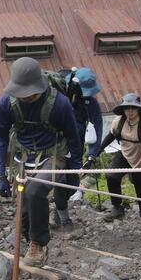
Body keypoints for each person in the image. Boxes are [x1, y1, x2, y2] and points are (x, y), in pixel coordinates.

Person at [0, 57, 82, 266]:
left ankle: (38, 244)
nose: (26, 98)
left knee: (35, 192)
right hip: (23, 158)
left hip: (53, 156)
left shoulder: (60, 103)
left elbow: (73, 136)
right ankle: (28, 238)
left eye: (30, 94)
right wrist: (0, 175)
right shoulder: (6, 103)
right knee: (23, 206)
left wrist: (75, 172)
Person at [98, 94, 141, 227]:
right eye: (127, 108)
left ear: (138, 109)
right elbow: (110, 137)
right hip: (125, 155)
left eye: (133, 108)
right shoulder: (118, 122)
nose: (130, 111)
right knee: (111, 176)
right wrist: (95, 153)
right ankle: (117, 207)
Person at [55, 68, 104, 229]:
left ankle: (59, 209)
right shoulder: (59, 95)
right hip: (56, 145)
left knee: (73, 182)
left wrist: (92, 155)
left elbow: (97, 126)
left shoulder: (90, 103)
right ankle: (62, 217)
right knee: (59, 180)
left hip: (76, 147)